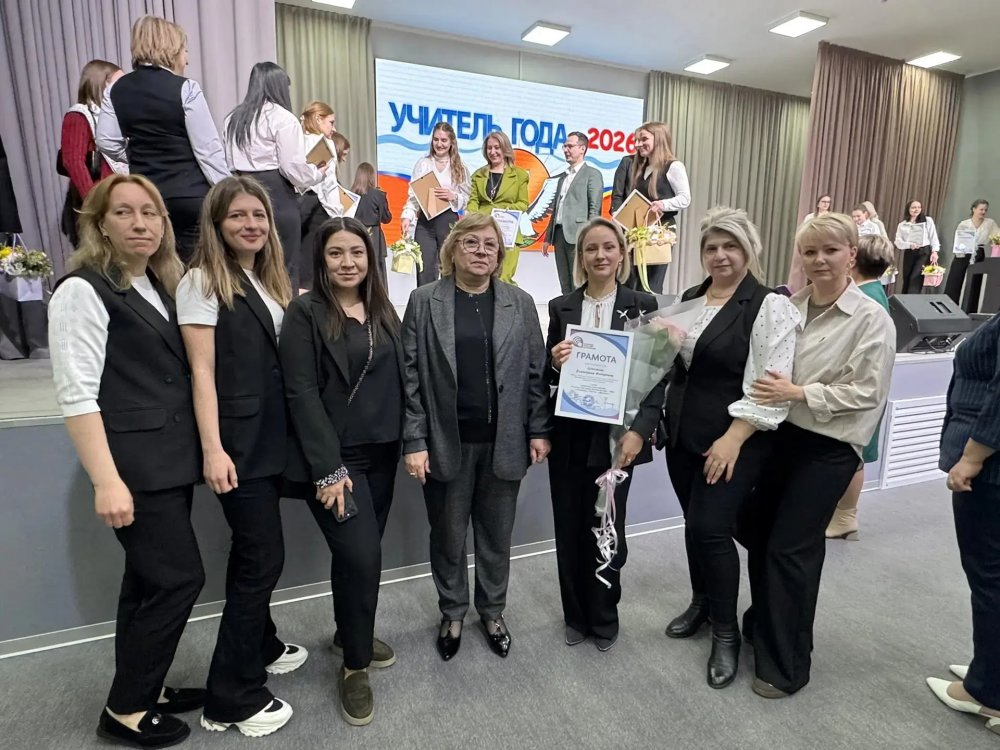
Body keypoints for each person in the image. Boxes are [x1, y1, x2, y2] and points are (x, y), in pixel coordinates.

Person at [48, 174, 204, 748]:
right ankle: (127, 710)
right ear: (98, 224)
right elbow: (77, 395)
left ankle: (145, 686)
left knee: (144, 584)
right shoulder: (81, 291)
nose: (141, 224)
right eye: (125, 212)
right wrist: (105, 481)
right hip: (133, 469)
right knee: (179, 579)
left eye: (151, 213)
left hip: (167, 462)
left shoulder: (158, 284)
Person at [745, 213, 895, 698]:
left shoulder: (871, 318)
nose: (819, 260)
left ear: (852, 254)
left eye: (830, 250)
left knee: (791, 549)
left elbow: (868, 392)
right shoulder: (789, 307)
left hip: (829, 447)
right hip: (779, 437)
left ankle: (786, 667)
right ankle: (765, 624)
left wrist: (800, 392)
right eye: (810, 252)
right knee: (758, 534)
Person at [176, 176, 301, 737]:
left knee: (253, 554)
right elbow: (201, 371)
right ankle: (230, 695)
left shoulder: (266, 278)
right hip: (237, 446)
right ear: (216, 223)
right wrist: (212, 449)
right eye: (237, 216)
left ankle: (263, 644)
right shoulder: (202, 280)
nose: (251, 225)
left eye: (259, 215)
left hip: (270, 441)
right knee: (262, 560)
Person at [401, 212, 551, 661]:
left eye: (490, 245)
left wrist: (539, 428)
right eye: (471, 243)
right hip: (446, 441)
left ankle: (492, 611)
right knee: (448, 537)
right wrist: (415, 440)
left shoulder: (519, 303)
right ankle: (452, 612)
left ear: (499, 255)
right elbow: (410, 377)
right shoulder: (424, 301)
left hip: (504, 441)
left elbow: (535, 372)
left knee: (495, 537)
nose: (481, 251)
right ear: (453, 249)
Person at [663, 208, 799, 689]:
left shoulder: (768, 306)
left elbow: (770, 384)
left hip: (735, 439)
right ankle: (701, 604)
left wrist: (733, 438)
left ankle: (726, 633)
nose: (720, 256)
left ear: (749, 250)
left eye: (730, 246)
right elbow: (673, 365)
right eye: (711, 247)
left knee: (711, 529)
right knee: (693, 525)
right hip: (683, 435)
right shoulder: (690, 298)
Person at [280, 216, 403, 726]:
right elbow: (300, 392)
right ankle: (355, 666)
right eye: (336, 253)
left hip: (384, 454)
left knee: (357, 559)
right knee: (362, 556)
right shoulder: (305, 312)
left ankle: (347, 633)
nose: (348, 262)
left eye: (357, 252)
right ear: (321, 260)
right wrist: (328, 469)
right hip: (338, 462)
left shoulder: (383, 309)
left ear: (370, 258)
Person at [545, 217, 664, 652]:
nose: (600, 255)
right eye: (591, 248)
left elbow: (657, 376)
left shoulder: (643, 304)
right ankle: (575, 615)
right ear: (581, 257)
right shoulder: (561, 306)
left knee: (608, 527)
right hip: (570, 435)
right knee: (569, 525)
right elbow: (547, 375)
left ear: (622, 254)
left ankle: (604, 615)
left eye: (608, 247)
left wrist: (640, 431)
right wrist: (554, 361)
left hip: (618, 439)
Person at [96, 16, 229, 262]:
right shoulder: (186, 88)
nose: (187, 59)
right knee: (197, 271)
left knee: (154, 268)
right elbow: (208, 151)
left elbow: (105, 141)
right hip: (189, 196)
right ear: (171, 48)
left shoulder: (115, 89)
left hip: (147, 196)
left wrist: (136, 156)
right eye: (184, 50)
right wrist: (228, 192)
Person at [925, 312, 1000, 738]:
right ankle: (990, 669)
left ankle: (986, 692)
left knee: (990, 578)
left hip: (991, 468)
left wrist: (972, 457)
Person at [224, 62, 325, 291]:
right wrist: (317, 173)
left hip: (238, 192)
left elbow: (227, 162)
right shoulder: (282, 118)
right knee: (284, 268)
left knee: (244, 267)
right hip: (276, 196)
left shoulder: (232, 119)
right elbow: (292, 169)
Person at [825, 234, 895, 540]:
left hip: (857, 392)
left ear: (851, 259)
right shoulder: (875, 292)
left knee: (853, 455)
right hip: (860, 390)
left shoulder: (867, 299)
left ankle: (846, 516)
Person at [624, 121, 692, 293]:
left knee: (651, 285)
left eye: (643, 139)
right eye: (636, 140)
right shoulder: (641, 168)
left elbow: (685, 198)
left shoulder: (673, 166)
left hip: (660, 233)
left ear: (659, 139)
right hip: (639, 232)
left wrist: (663, 204)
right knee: (634, 283)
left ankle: (650, 312)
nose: (638, 144)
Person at [60, 59, 122, 245]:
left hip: (115, 197)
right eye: (118, 82)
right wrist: (94, 203)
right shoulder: (78, 115)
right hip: (96, 202)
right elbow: (73, 162)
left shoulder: (113, 116)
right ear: (103, 83)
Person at [400, 122, 470, 286]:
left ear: (451, 142)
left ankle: (446, 301)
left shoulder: (459, 167)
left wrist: (453, 196)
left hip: (448, 221)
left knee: (448, 268)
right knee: (424, 269)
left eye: (444, 140)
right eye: (436, 139)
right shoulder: (423, 164)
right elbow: (414, 195)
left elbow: (467, 198)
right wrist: (407, 216)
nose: (439, 144)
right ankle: (424, 302)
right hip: (425, 223)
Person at [543, 131, 604, 295]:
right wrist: (547, 238)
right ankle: (567, 310)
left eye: (570, 146)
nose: (566, 150)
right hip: (559, 234)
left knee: (579, 281)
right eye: (564, 146)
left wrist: (590, 236)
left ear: (582, 149)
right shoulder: (563, 177)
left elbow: (595, 208)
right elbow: (556, 208)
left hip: (579, 235)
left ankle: (582, 311)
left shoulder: (592, 174)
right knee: (564, 282)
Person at [466, 131, 530, 284]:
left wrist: (503, 211)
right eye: (489, 148)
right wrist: (473, 215)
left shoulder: (520, 175)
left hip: (509, 232)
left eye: (497, 147)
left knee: (504, 279)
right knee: (483, 277)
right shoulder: (478, 175)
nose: (493, 152)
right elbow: (473, 201)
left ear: (505, 149)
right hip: (483, 230)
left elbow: (523, 203)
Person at [299, 100, 340, 289]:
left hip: (295, 204)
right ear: (318, 119)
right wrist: (338, 215)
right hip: (318, 207)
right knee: (314, 267)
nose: (334, 128)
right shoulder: (325, 144)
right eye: (331, 122)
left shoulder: (296, 139)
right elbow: (329, 185)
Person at [947, 199, 997, 308]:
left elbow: (996, 236)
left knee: (975, 281)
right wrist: (961, 251)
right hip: (963, 252)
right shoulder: (964, 224)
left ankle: (970, 308)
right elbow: (959, 240)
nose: (983, 212)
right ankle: (950, 306)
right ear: (974, 209)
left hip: (979, 252)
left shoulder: (990, 223)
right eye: (981, 209)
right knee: (955, 278)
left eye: (985, 210)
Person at [351, 163, 392, 284]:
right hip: (375, 238)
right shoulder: (378, 195)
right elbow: (386, 218)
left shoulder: (350, 194)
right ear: (371, 177)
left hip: (355, 235)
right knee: (378, 272)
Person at [894, 199, 940, 294]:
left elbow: (933, 237)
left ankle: (912, 300)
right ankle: (904, 299)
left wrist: (935, 251)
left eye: (919, 207)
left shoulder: (927, 220)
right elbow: (898, 242)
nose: (916, 209)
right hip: (910, 251)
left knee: (916, 277)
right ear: (908, 209)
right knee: (907, 277)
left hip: (924, 252)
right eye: (914, 207)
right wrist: (909, 245)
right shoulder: (902, 225)